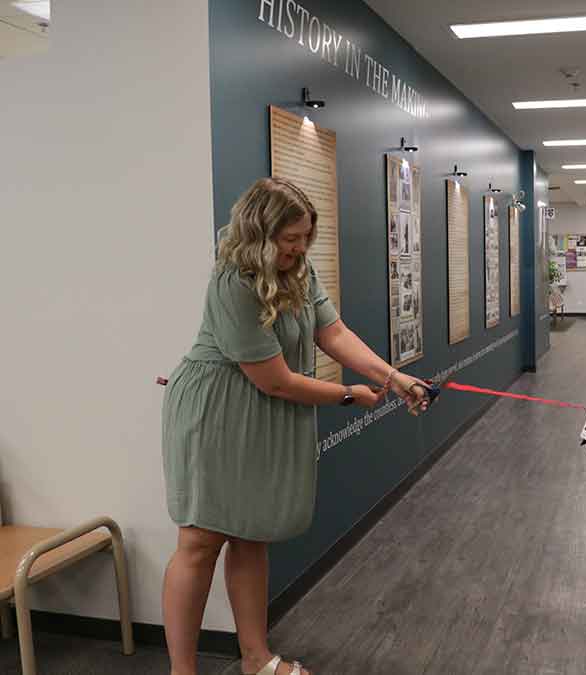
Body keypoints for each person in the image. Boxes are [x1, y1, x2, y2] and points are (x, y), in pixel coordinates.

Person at [161, 177, 428, 675]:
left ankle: (256, 659)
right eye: (290, 239)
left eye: (305, 237)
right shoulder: (233, 282)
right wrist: (349, 394)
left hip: (259, 410)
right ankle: (182, 671)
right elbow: (277, 382)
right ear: (260, 234)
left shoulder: (300, 270)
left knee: (252, 533)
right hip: (217, 413)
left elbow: (335, 332)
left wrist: (392, 378)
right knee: (199, 543)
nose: (300, 248)